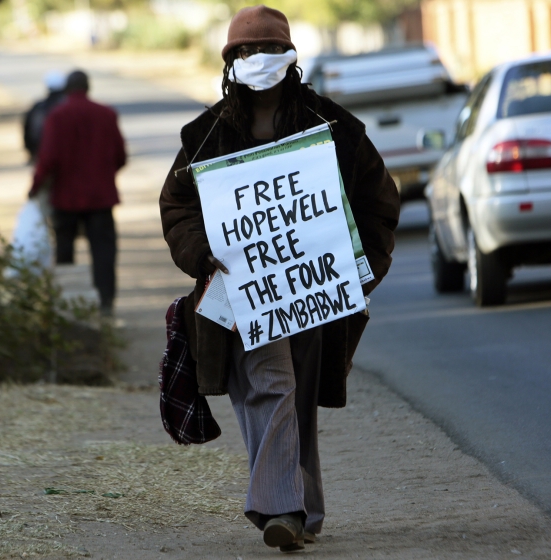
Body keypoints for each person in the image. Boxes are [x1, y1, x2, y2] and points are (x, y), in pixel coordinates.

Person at [159, 5, 399, 553]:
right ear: (229, 62)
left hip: (315, 294)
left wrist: (357, 269)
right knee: (273, 387)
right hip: (236, 294)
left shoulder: (334, 128)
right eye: (245, 51)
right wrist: (199, 253)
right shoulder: (204, 136)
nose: (256, 60)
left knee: (295, 396)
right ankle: (282, 509)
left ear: (291, 58)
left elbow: (379, 201)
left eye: (268, 49)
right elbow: (176, 207)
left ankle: (304, 510)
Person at [30, 70, 127, 315]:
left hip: (65, 198)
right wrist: (104, 174)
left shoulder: (57, 116)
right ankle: (106, 304)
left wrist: (35, 187)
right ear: (88, 87)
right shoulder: (107, 113)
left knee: (64, 252)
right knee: (104, 253)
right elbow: (120, 156)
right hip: (100, 197)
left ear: (67, 89)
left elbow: (48, 158)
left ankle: (67, 305)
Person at [22, 70, 68, 163]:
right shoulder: (68, 107)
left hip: (42, 155)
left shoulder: (38, 107)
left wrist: (31, 151)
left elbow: (27, 130)